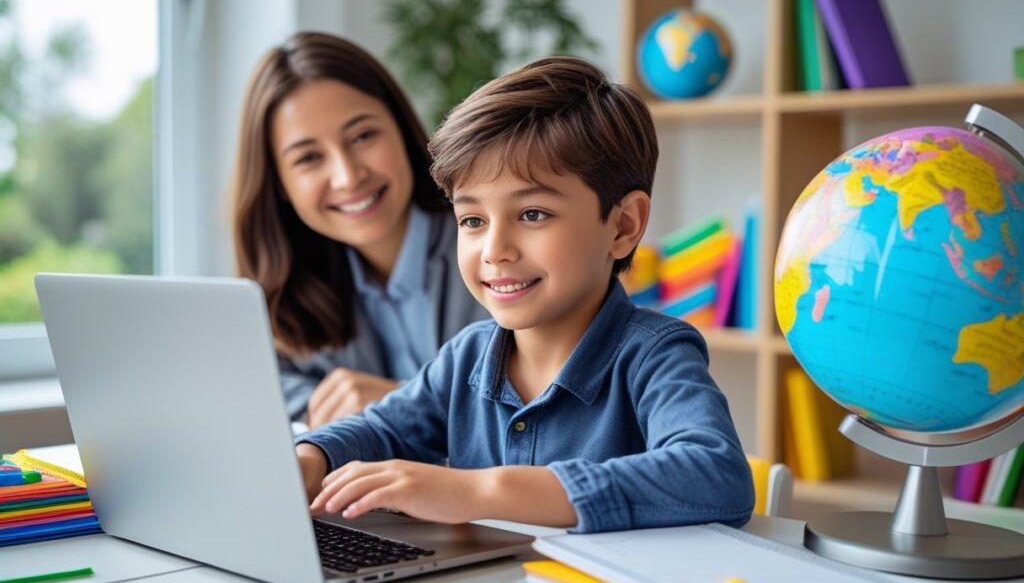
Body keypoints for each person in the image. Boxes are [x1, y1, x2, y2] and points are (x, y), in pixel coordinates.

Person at [294, 56, 754, 533]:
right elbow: (380, 430)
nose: (495, 250)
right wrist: (310, 457)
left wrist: (478, 492)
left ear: (623, 226)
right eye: (473, 220)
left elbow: (717, 475)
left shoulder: (653, 355)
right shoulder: (466, 357)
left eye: (532, 214)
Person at [229, 32, 487, 428]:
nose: (348, 176)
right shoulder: (291, 288)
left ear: (400, 128)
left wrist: (401, 403)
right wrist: (324, 405)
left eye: (363, 136)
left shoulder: (492, 246)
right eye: (309, 158)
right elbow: (263, 389)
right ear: (278, 183)